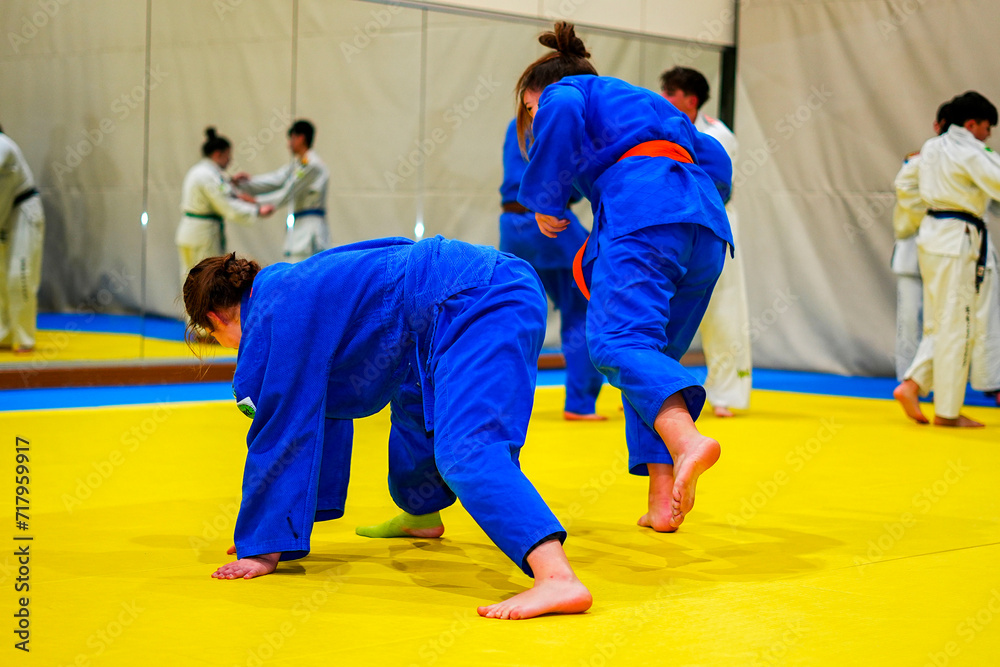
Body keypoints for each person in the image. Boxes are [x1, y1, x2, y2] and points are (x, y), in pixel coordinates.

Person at [184, 239, 592, 620]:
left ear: (214, 318)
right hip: (457, 299)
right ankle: (421, 512)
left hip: (477, 300)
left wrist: (261, 544)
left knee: (467, 451)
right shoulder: (293, 284)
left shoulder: (274, 312)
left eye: (217, 337)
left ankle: (556, 577)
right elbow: (320, 402)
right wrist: (270, 527)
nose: (232, 347)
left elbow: (280, 427)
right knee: (414, 405)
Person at [516, 22, 733, 532]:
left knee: (616, 343)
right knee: (650, 362)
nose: (533, 117)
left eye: (529, 108)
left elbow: (560, 113)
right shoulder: (647, 103)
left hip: (644, 213)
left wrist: (547, 200)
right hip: (704, 224)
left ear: (538, 91)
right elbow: (717, 161)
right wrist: (688, 200)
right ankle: (661, 502)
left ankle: (688, 440)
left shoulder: (565, 93)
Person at [894, 91, 1000, 427]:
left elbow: (904, 183)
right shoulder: (969, 150)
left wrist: (921, 213)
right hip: (958, 242)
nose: (988, 135)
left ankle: (913, 384)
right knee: (958, 325)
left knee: (939, 322)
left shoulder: (931, 148)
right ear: (971, 124)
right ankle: (947, 412)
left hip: (932, 234)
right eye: (986, 127)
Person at [661, 67, 752, 418]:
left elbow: (713, 184)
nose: (664, 97)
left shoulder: (716, 135)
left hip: (714, 222)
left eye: (671, 92)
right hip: (671, 223)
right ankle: (654, 390)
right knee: (661, 306)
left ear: (691, 100)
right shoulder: (660, 126)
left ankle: (725, 393)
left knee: (722, 308)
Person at [499, 117, 605, 420]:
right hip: (551, 226)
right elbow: (575, 178)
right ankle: (580, 403)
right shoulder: (560, 118)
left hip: (512, 226)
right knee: (584, 310)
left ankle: (499, 405)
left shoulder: (517, 124)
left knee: (511, 316)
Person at [175, 127, 274, 291]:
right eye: (228, 155)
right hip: (203, 235)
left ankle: (191, 309)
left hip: (192, 231)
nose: (230, 160)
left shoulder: (203, 171)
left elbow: (220, 189)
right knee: (204, 281)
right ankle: (200, 309)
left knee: (190, 280)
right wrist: (257, 211)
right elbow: (226, 204)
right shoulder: (208, 175)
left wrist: (231, 181)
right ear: (218, 154)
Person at [233, 120, 329, 263]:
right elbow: (276, 179)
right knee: (295, 262)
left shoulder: (312, 165)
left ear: (301, 138)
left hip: (310, 226)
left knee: (304, 266)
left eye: (291, 139)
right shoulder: (299, 163)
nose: (288, 144)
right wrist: (246, 183)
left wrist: (256, 202)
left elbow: (288, 192)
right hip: (300, 223)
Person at [0, 124, 44, 354]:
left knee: (20, 276)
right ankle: (4, 335)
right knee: (0, 279)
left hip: (24, 213)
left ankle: (25, 338)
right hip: (5, 216)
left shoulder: (3, 145)